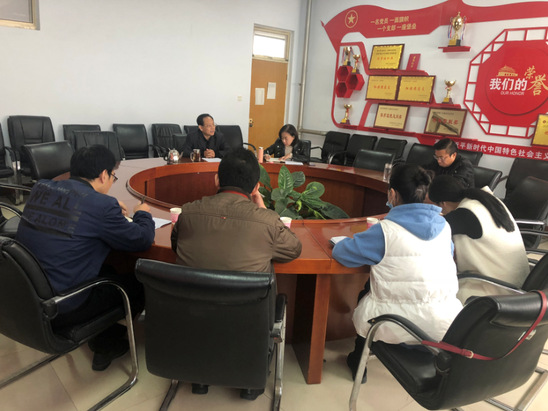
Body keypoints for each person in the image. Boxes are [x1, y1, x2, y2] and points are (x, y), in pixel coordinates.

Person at [171, 147, 302, 399]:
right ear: (255, 187)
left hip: (194, 320)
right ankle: (250, 382)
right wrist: (264, 209)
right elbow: (294, 249)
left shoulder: (187, 212)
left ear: (216, 180)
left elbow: (177, 246)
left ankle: (200, 378)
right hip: (248, 327)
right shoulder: (266, 221)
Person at [16, 145, 155, 371]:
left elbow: (76, 207)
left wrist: (105, 205)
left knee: (110, 270)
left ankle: (104, 337)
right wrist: (142, 213)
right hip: (62, 307)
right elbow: (142, 239)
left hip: (26, 295)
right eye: (113, 176)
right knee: (141, 283)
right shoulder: (101, 207)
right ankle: (106, 344)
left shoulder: (41, 187)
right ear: (103, 175)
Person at [331, 164, 462, 384]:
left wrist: (342, 242)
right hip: (445, 323)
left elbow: (342, 253)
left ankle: (358, 359)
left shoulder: (385, 231)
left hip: (393, 324)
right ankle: (422, 351)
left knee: (368, 290)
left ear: (392, 194)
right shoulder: (445, 227)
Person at [428, 175, 529, 302]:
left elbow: (430, 229)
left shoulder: (464, 214)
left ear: (443, 204)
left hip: (499, 289)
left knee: (436, 292)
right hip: (517, 281)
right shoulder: (485, 199)